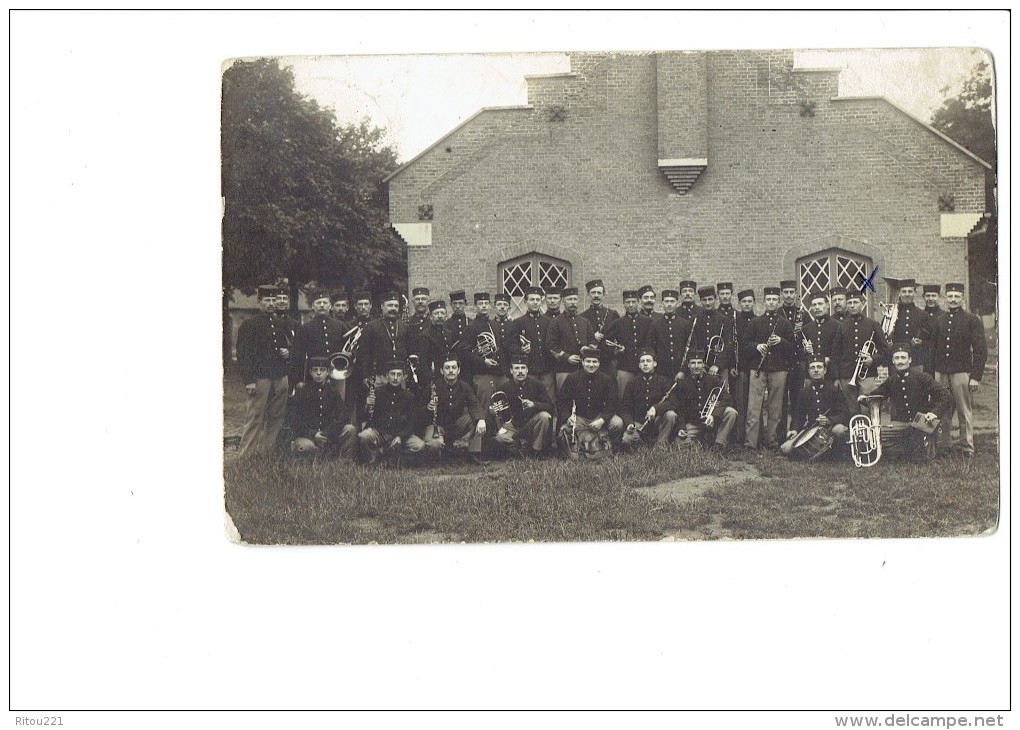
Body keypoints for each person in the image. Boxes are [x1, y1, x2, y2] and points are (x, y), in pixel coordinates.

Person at [866, 344, 951, 461]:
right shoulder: (891, 380)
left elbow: (945, 395)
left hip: (922, 424)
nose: (900, 361)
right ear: (893, 361)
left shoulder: (922, 377)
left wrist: (934, 413)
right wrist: (864, 397)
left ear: (910, 360)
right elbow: (875, 395)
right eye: (897, 358)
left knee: (915, 452)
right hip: (902, 425)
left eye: (903, 358)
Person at [235, 286, 291, 458]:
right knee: (255, 417)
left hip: (279, 376)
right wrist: (249, 380)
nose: (271, 304)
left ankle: (267, 454)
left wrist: (287, 352)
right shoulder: (249, 324)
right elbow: (243, 354)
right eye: (267, 301)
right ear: (259, 302)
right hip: (260, 377)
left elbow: (284, 347)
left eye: (274, 301)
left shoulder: (280, 323)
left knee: (276, 416)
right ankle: (245, 457)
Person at [933, 282, 988, 457]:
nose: (953, 299)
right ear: (945, 298)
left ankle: (966, 446)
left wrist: (975, 376)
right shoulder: (939, 320)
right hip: (941, 372)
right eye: (950, 296)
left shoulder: (972, 320)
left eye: (957, 296)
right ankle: (945, 445)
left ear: (963, 298)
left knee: (964, 411)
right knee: (944, 410)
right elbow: (933, 349)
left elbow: (981, 350)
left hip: (961, 372)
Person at [743, 287, 794, 450]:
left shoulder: (785, 323)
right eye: (768, 299)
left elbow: (793, 348)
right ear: (764, 302)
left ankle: (772, 441)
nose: (771, 302)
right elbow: (745, 344)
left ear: (778, 302)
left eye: (774, 300)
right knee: (754, 406)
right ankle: (751, 443)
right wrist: (757, 346)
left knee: (776, 407)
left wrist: (781, 341)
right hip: (758, 369)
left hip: (779, 369)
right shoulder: (755, 322)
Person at [556, 345, 624, 458]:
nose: (591, 365)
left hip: (598, 417)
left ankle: (612, 449)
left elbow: (612, 404)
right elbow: (561, 402)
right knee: (566, 429)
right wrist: (568, 417)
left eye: (594, 362)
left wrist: (602, 420)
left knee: (617, 423)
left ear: (599, 363)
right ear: (582, 362)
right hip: (579, 417)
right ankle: (576, 451)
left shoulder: (606, 380)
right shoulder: (572, 378)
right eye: (588, 361)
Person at [830, 290, 892, 414]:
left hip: (867, 373)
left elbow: (886, 351)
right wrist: (836, 377)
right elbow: (835, 354)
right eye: (849, 303)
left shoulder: (873, 324)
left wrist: (873, 359)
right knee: (851, 409)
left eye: (855, 302)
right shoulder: (842, 326)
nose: (852, 305)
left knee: (868, 409)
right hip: (846, 374)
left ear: (862, 303)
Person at [287, 356, 357, 459]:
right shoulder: (303, 391)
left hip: (328, 435)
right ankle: (313, 454)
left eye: (322, 370)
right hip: (309, 437)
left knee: (349, 429)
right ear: (310, 372)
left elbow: (343, 417)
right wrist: (313, 434)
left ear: (328, 372)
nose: (318, 373)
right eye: (315, 370)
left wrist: (328, 433)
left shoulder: (333, 392)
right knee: (306, 447)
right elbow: (295, 420)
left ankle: (344, 462)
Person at [356, 361, 426, 463]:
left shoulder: (409, 396)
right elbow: (366, 416)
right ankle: (374, 459)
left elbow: (412, 422)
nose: (395, 378)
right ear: (387, 376)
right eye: (392, 374)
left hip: (399, 434)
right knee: (363, 437)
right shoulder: (377, 392)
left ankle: (388, 457)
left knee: (420, 446)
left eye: (399, 374)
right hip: (380, 432)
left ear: (404, 377)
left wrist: (400, 437)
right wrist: (367, 405)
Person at [423, 355, 487, 464]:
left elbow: (474, 404)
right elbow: (418, 410)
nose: (451, 371)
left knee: (476, 419)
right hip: (437, 426)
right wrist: (427, 407)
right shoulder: (432, 387)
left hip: (457, 425)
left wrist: (481, 419)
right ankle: (440, 457)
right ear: (442, 371)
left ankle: (469, 452)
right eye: (447, 368)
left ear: (459, 370)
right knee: (435, 444)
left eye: (454, 368)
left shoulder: (464, 386)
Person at [780, 357, 848, 458]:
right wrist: (794, 430)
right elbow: (799, 416)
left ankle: (836, 454)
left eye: (819, 367)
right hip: (812, 428)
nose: (816, 370)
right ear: (809, 372)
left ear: (825, 370)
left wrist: (829, 420)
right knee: (785, 449)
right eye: (812, 368)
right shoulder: (804, 392)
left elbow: (845, 414)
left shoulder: (834, 390)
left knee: (840, 430)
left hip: (831, 427)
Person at [490, 354, 555, 458]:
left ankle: (535, 451)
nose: (520, 371)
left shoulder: (537, 385)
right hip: (512, 427)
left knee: (544, 416)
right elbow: (499, 411)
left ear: (527, 370)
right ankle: (519, 447)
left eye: (523, 368)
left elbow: (551, 407)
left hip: (531, 426)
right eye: (516, 368)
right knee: (500, 439)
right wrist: (493, 411)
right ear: (511, 371)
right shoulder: (504, 387)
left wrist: (534, 404)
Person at [674, 350, 737, 450]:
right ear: (688, 365)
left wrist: (713, 415)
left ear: (703, 364)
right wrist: (681, 427)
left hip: (713, 421)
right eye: (693, 363)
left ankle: (718, 444)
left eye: (699, 363)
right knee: (679, 444)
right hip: (695, 423)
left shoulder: (714, 380)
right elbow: (680, 409)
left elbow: (727, 399)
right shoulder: (683, 384)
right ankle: (704, 442)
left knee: (731, 412)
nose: (696, 366)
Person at [620, 349, 679, 450]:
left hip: (657, 422)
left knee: (671, 415)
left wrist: (656, 408)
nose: (645, 364)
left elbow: (674, 402)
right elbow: (625, 408)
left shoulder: (664, 381)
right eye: (642, 362)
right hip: (639, 423)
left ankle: (661, 445)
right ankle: (645, 443)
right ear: (639, 365)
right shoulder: (632, 383)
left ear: (655, 364)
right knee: (627, 439)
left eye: (648, 361)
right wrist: (629, 423)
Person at [290, 289, 346, 389]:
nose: (322, 305)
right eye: (318, 302)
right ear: (312, 306)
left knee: (338, 402)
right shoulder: (305, 328)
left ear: (330, 306)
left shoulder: (340, 326)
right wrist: (299, 379)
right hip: (314, 375)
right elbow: (298, 356)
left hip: (337, 374)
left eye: (325, 302)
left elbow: (348, 348)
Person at [356, 291, 410, 393]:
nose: (393, 308)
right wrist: (365, 375)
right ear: (382, 306)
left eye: (396, 306)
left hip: (399, 376)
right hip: (379, 375)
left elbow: (409, 350)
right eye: (390, 305)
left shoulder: (404, 326)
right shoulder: (371, 327)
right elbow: (364, 354)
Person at [604, 289, 653, 399]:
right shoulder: (617, 323)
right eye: (628, 302)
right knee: (623, 397)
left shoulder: (648, 322)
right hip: (625, 367)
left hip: (644, 367)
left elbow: (653, 343)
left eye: (633, 302)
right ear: (623, 304)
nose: (631, 305)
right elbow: (605, 344)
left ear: (638, 302)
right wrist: (615, 351)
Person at [462, 292, 505, 415]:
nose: (484, 306)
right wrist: (483, 361)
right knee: (485, 405)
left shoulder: (494, 324)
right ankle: (484, 432)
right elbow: (464, 351)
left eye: (486, 303)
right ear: (475, 306)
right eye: (480, 304)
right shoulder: (471, 326)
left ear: (490, 306)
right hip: (482, 373)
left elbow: (498, 347)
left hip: (498, 372)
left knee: (500, 405)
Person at [510, 286, 556, 398]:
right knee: (529, 398)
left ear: (541, 301)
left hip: (547, 369)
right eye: (532, 300)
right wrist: (521, 350)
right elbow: (511, 345)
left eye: (537, 300)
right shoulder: (518, 322)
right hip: (528, 370)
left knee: (548, 399)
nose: (535, 303)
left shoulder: (549, 322)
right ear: (525, 302)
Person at [547, 286, 596, 391]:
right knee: (564, 399)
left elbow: (593, 341)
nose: (573, 302)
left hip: (583, 369)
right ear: (563, 301)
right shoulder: (556, 322)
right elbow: (551, 346)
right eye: (569, 299)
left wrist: (587, 349)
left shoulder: (584, 321)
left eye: (575, 299)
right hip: (564, 369)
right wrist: (566, 357)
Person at [886, 278, 934, 375]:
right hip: (896, 361)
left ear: (914, 293)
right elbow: (885, 334)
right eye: (904, 291)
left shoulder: (923, 315)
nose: (907, 294)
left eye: (910, 291)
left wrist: (922, 342)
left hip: (916, 361)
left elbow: (931, 340)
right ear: (899, 293)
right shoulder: (891, 314)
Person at [693, 285, 735, 388]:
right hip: (700, 366)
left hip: (720, 366)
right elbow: (694, 343)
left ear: (715, 299)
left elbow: (727, 345)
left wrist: (717, 365)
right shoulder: (695, 320)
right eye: (704, 300)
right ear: (700, 301)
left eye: (710, 299)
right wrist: (700, 364)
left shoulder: (724, 320)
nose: (707, 303)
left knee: (721, 393)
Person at [649, 288, 692, 382]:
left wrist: (683, 371)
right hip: (661, 373)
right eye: (666, 301)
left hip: (682, 373)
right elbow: (651, 348)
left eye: (672, 301)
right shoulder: (655, 325)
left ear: (677, 303)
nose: (669, 304)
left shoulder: (685, 324)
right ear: (662, 303)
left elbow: (691, 349)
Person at [580, 278, 620, 377]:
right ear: (588, 295)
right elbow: (579, 339)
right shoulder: (582, 316)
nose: (596, 295)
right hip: (591, 362)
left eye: (599, 292)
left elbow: (619, 336)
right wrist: (592, 337)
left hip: (609, 360)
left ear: (603, 295)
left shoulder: (612, 314)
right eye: (593, 292)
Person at [733, 288, 758, 441]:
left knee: (755, 405)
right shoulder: (735, 321)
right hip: (741, 368)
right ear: (739, 303)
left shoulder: (758, 320)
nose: (747, 304)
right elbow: (732, 346)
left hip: (755, 368)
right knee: (741, 403)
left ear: (754, 302)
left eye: (749, 301)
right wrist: (733, 366)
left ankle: (756, 436)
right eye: (744, 302)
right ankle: (739, 437)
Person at [800, 291, 840, 382]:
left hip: (831, 374)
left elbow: (842, 351)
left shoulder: (838, 326)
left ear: (827, 305)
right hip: (811, 375)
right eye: (814, 305)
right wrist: (805, 350)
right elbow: (797, 353)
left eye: (820, 304)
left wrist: (829, 359)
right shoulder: (806, 328)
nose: (817, 307)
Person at [920, 284, 945, 374]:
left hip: (940, 361)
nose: (930, 299)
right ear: (923, 297)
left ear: (939, 297)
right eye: (928, 296)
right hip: (923, 361)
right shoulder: (919, 315)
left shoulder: (944, 316)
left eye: (933, 296)